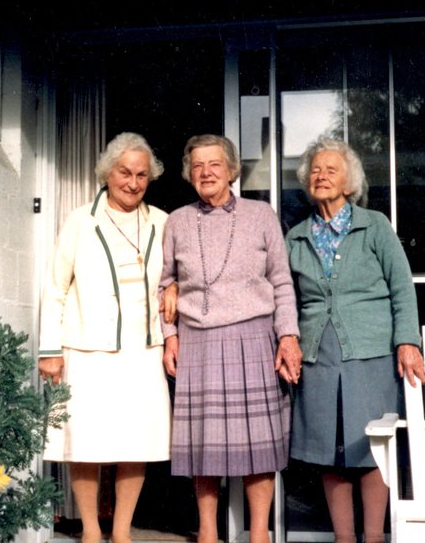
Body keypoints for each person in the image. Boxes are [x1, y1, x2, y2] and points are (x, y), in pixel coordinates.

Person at [159, 134, 302, 543]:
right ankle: (207, 532)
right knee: (203, 445)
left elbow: (281, 282)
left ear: (231, 170)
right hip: (198, 340)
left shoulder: (261, 215)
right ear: (189, 174)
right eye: (198, 166)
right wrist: (171, 335)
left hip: (254, 338)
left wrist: (287, 335)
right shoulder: (177, 220)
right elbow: (164, 284)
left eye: (215, 164)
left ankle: (259, 534)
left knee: (259, 445)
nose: (206, 172)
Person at [285, 137, 425, 543]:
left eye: (331, 170)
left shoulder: (374, 224)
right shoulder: (295, 236)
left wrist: (407, 341)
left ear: (349, 183)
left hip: (371, 352)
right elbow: (285, 297)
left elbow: (402, 286)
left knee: (371, 449)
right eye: (315, 170)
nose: (321, 175)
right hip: (319, 355)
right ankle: (344, 539)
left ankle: (374, 536)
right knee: (328, 452)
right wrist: (289, 339)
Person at [38, 132, 171, 543]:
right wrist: (49, 350)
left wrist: (176, 288)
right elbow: (56, 286)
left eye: (141, 175)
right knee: (86, 443)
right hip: (86, 349)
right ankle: (92, 531)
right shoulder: (80, 220)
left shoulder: (163, 222)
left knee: (138, 442)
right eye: (124, 172)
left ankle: (122, 530)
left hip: (145, 349)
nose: (132, 183)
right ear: (107, 172)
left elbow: (178, 273)